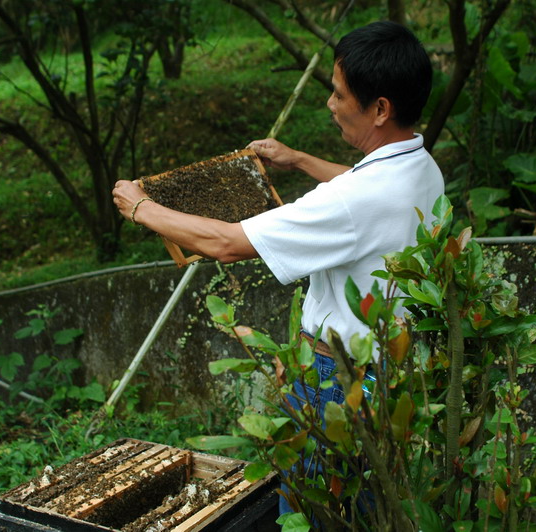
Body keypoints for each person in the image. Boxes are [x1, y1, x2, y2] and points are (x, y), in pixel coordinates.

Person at [112, 19, 444, 516]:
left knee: (313, 514)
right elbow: (366, 189)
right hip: (394, 378)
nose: (330, 104)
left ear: (380, 109)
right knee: (366, 512)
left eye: (338, 94)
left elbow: (226, 243)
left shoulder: (352, 201)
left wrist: (143, 208)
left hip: (340, 384)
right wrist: (301, 160)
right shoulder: (422, 167)